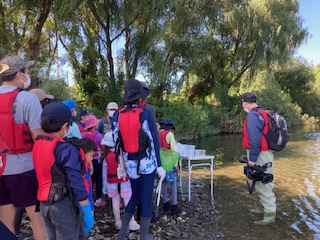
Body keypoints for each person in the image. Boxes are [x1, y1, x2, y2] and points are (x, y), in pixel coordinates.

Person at [32, 102, 94, 239]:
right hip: (63, 206)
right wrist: (86, 209)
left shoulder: (38, 143)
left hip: (44, 205)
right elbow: (76, 180)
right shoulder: (66, 149)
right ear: (65, 125)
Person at [0, 55, 46, 239]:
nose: (27, 75)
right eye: (26, 72)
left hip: (1, 169)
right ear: (19, 74)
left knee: (5, 218)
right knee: (36, 216)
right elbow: (38, 136)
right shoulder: (28, 99)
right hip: (24, 168)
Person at [114, 79, 165, 240]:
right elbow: (153, 140)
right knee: (146, 197)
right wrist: (160, 165)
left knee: (134, 194)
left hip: (130, 162)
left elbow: (117, 143)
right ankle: (144, 236)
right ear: (140, 98)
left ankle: (123, 232)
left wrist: (120, 165)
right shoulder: (145, 114)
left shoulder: (117, 114)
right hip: (147, 162)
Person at [241, 92, 276, 225]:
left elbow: (254, 139)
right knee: (261, 182)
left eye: (242, 103)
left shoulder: (252, 116)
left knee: (265, 184)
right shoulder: (263, 113)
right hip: (265, 153)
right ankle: (263, 208)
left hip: (259, 154)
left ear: (245, 102)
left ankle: (270, 216)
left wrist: (252, 159)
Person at [101, 131, 140, 231]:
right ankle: (131, 222)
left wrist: (104, 185)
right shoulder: (123, 154)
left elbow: (104, 172)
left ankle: (118, 222)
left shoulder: (106, 156)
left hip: (111, 183)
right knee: (128, 202)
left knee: (115, 203)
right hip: (124, 182)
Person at [81, 115, 106, 207]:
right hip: (97, 160)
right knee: (99, 179)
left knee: (90, 179)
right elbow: (103, 145)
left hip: (87, 160)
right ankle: (99, 198)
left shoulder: (83, 134)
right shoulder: (98, 135)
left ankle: (89, 195)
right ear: (94, 125)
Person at [159, 118, 181, 215]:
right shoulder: (170, 134)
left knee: (163, 182)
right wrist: (176, 165)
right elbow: (174, 151)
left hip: (160, 162)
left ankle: (165, 203)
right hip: (169, 162)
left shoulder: (157, 133)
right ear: (171, 127)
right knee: (172, 183)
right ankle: (174, 206)